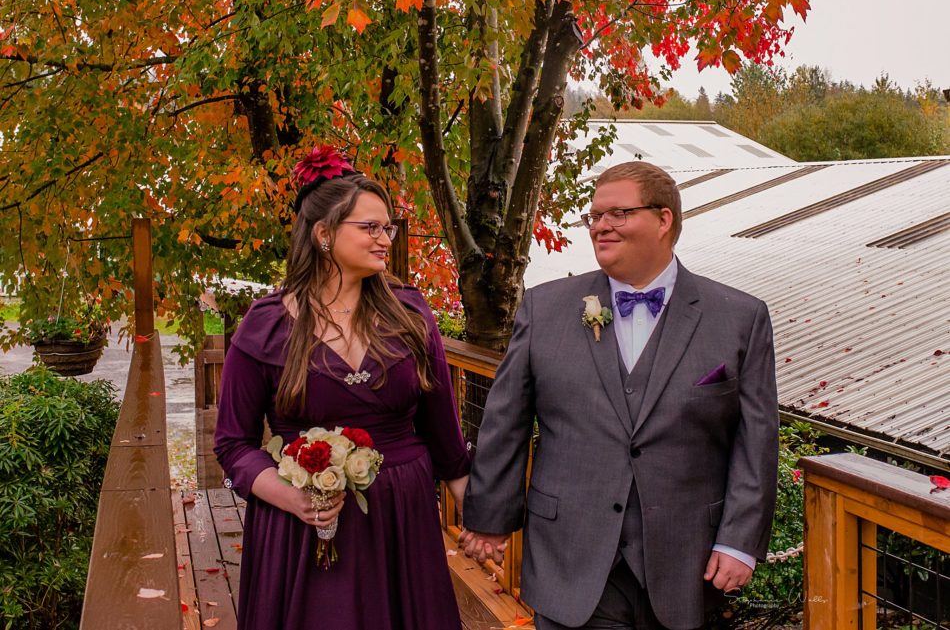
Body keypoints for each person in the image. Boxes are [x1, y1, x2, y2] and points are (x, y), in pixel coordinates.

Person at [460, 161, 778, 630]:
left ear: (664, 219)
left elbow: (756, 442)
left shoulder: (739, 317)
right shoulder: (544, 309)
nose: (600, 226)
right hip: (570, 556)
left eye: (618, 213)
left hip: (688, 562)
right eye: (594, 216)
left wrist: (738, 542)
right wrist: (489, 515)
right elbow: (506, 421)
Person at [214, 146, 471, 630]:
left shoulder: (411, 314)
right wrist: (292, 497)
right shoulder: (265, 326)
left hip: (400, 518)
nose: (384, 240)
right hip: (301, 529)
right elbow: (232, 445)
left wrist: (481, 516)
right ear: (324, 234)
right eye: (370, 227)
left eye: (388, 228)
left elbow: (445, 435)